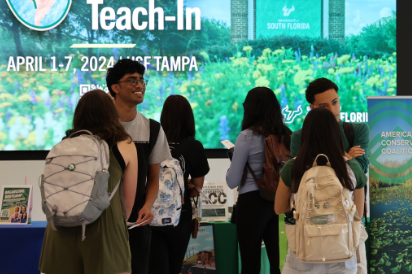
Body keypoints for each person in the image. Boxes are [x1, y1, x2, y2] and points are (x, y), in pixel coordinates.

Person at [39, 89, 137, 274]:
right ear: (111, 112)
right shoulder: (125, 145)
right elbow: (129, 203)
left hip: (59, 226)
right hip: (105, 228)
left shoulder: (64, 144)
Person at [275, 108, 366, 274]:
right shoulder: (351, 167)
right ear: (336, 133)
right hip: (342, 252)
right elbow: (358, 213)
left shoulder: (293, 167)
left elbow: (279, 208)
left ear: (305, 135)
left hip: (304, 252)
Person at [106, 59, 172, 274]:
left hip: (137, 219)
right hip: (101, 216)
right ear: (115, 88)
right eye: (132, 80)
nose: (140, 85)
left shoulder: (152, 129)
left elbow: (154, 178)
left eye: (142, 80)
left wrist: (148, 206)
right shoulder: (99, 128)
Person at [226, 87, 291, 274]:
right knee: (280, 263)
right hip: (281, 202)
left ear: (250, 109)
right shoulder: (287, 135)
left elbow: (232, 181)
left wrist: (233, 159)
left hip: (252, 202)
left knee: (250, 264)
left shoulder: (246, 136)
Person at [149, 95, 211, 274]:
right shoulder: (194, 146)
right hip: (179, 216)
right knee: (174, 268)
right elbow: (197, 188)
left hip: (151, 214)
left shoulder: (152, 142)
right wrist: (184, 183)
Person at [290, 78, 369, 173]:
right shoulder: (299, 136)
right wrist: (347, 157)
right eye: (323, 106)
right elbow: (299, 174)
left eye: (335, 102)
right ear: (312, 108)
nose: (332, 110)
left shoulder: (358, 130)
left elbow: (361, 170)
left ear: (339, 98)